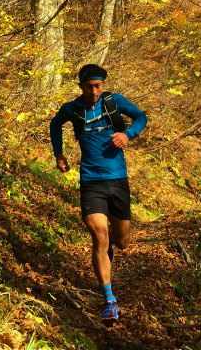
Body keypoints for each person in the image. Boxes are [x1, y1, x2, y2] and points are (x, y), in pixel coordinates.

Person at [49, 63, 147, 322]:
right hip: (91, 180)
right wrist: (59, 154)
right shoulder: (72, 108)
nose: (94, 91)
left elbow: (141, 117)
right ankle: (109, 301)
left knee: (122, 241)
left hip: (117, 179)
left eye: (98, 86)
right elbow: (55, 124)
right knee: (99, 236)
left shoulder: (114, 102)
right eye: (89, 86)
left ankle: (109, 253)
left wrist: (128, 135)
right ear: (80, 86)